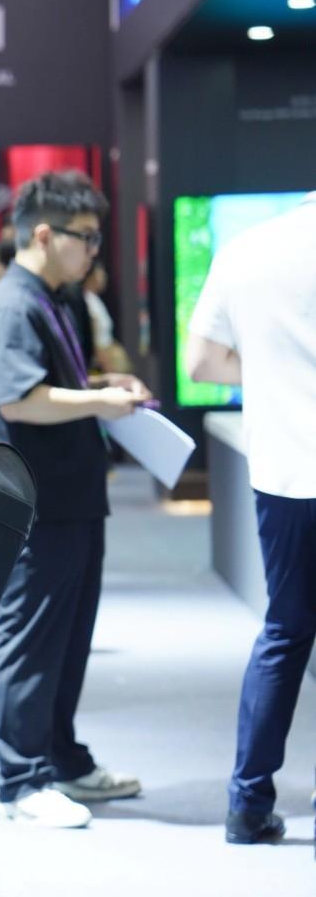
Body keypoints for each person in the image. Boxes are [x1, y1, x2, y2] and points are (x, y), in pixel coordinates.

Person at [0, 171, 152, 828]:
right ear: (44, 234)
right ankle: (21, 780)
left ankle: (62, 760)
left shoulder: (51, 298)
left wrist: (101, 385)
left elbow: (48, 387)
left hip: (71, 498)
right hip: (35, 503)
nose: (93, 250)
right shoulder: (11, 304)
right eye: (86, 237)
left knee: (67, 640)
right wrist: (101, 401)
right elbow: (19, 399)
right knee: (30, 640)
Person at [185, 190, 316, 845]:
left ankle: (246, 803)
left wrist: (270, 372)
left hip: (286, 473)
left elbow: (201, 361)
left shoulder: (249, 248)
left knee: (285, 632)